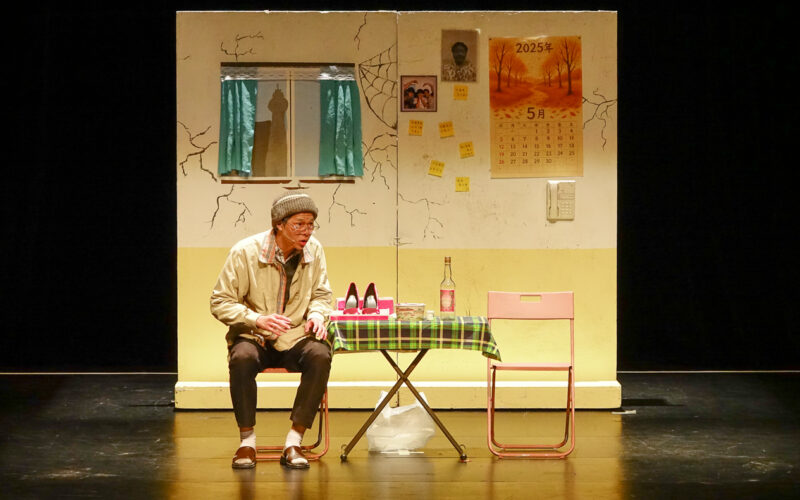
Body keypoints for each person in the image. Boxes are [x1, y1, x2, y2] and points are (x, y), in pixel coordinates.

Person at [210, 193, 333, 470]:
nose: (306, 231)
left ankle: (294, 441)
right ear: (279, 224)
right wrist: (256, 319)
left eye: (311, 224)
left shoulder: (314, 250)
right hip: (255, 336)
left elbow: (322, 294)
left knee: (320, 354)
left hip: (295, 335)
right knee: (242, 357)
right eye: (299, 224)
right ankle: (247, 441)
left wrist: (316, 314)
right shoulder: (245, 251)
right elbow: (219, 301)